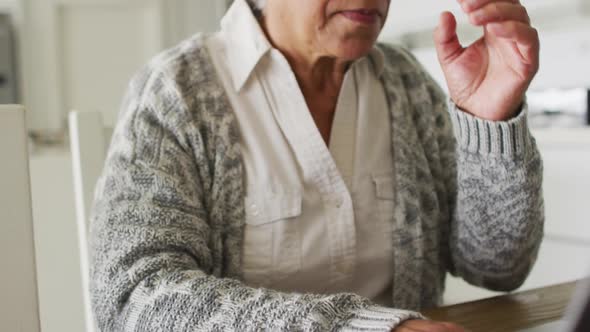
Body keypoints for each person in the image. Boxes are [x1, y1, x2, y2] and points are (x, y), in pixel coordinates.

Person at [89, 0, 543, 331]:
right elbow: (134, 300)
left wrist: (492, 120)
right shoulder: (178, 91)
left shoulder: (407, 84)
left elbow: (497, 267)